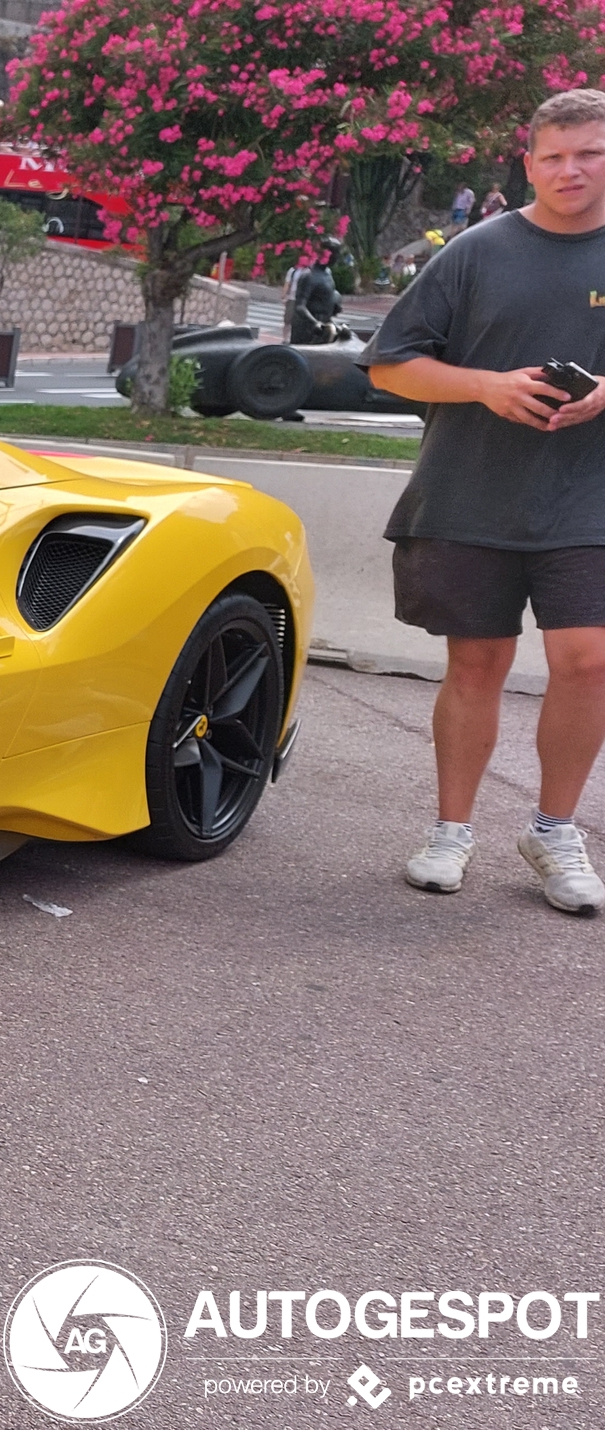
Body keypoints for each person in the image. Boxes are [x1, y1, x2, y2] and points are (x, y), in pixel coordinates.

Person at [364, 87, 605, 914]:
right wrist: (487, 387)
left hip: (589, 500)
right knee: (476, 664)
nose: (570, 170)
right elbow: (391, 363)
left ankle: (553, 829)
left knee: (589, 660)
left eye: (589, 153)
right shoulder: (475, 250)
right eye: (554, 155)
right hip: (472, 494)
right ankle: (451, 830)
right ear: (529, 161)